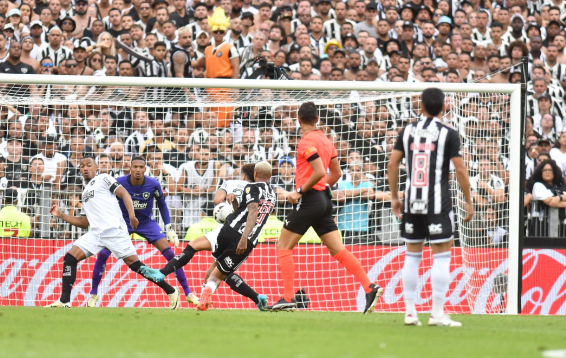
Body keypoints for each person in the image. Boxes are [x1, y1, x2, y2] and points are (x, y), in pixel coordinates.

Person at [270, 101, 383, 312]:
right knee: (337, 249)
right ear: (318, 119)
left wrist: (299, 191)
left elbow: (320, 171)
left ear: (298, 119)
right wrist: (320, 188)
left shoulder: (305, 142)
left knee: (283, 246)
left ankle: (287, 298)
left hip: (310, 199)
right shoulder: (326, 140)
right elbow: (336, 173)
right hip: (323, 199)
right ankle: (369, 287)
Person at [387, 88, 474, 327]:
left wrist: (395, 196)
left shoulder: (406, 131)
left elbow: (393, 163)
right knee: (442, 256)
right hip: (437, 202)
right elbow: (460, 169)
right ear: (444, 107)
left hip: (412, 201)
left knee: (412, 256)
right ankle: (436, 314)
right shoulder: (449, 134)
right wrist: (467, 199)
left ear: (421, 106)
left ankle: (409, 312)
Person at [44, 153, 171, 308]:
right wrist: (61, 215)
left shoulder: (104, 178)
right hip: (96, 234)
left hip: (114, 231)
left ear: (96, 167)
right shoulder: (85, 193)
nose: (85, 168)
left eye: (89, 165)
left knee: (135, 265)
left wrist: (132, 216)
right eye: (82, 166)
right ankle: (64, 301)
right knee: (70, 258)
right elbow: (84, 223)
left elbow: (124, 194)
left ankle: (170, 290)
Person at [145, 162, 275, 311]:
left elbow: (218, 201)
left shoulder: (235, 184)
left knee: (198, 250)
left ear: (251, 175)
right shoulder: (273, 194)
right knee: (219, 274)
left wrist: (231, 203)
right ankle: (246, 297)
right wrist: (244, 238)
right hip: (245, 237)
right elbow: (253, 212)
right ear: (269, 176)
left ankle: (165, 274)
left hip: (226, 229)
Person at [87, 156, 197, 309]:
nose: (138, 170)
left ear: (146, 169)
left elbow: (162, 205)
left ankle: (188, 292)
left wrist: (169, 227)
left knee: (170, 254)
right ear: (130, 168)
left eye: (141, 167)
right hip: (123, 222)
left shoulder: (153, 184)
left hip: (146, 223)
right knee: (104, 254)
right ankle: (93, 294)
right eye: (135, 167)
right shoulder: (119, 182)